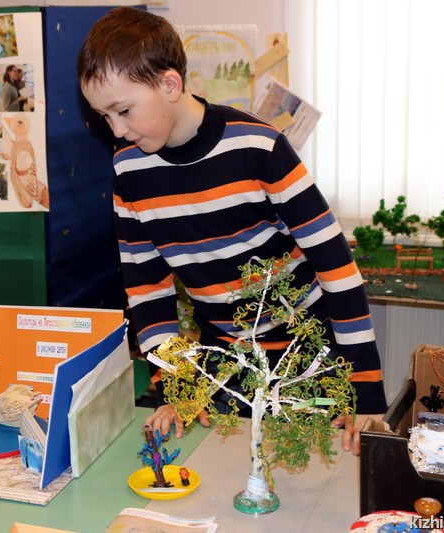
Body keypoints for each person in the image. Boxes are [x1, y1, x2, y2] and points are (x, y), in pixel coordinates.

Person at [77, 7, 387, 456]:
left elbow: (337, 269)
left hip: (309, 357)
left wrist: (367, 390)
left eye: (123, 110)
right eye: (104, 117)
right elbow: (147, 291)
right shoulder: (128, 170)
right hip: (225, 364)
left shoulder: (258, 146)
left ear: (170, 85)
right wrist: (179, 386)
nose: (118, 130)